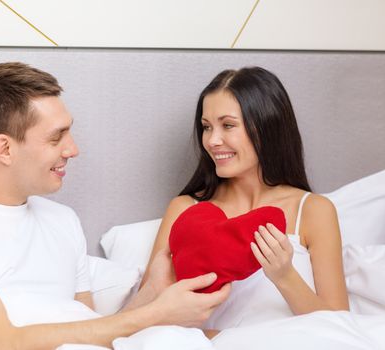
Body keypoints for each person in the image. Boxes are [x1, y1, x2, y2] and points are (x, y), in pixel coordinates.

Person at [0, 62, 231, 349]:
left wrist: (153, 293)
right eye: (56, 138)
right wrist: (156, 315)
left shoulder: (61, 220)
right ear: (5, 149)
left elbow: (90, 330)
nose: (72, 149)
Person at [143, 66, 349, 331]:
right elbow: (147, 312)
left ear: (267, 128)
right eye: (206, 127)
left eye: (228, 125)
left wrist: (284, 276)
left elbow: (340, 326)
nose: (212, 140)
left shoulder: (313, 211)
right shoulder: (185, 210)